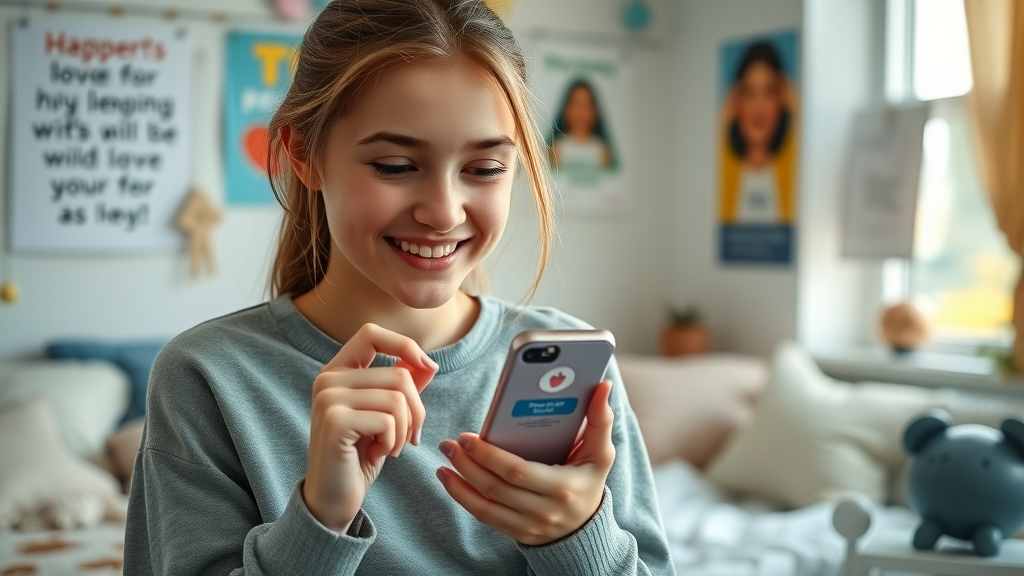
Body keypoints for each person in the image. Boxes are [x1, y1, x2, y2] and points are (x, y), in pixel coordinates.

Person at [124, 1, 673, 575]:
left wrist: (577, 537)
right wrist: (319, 521)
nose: (444, 212)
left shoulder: (575, 364)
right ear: (303, 154)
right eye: (394, 165)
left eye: (485, 169)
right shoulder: (206, 378)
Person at [719, 39, 798, 225]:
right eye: (749, 92)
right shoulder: (727, 172)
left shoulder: (792, 167)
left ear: (781, 100)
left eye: (768, 92)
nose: (758, 107)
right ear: (736, 102)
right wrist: (722, 121)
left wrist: (797, 107)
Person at [549, 79, 616, 170]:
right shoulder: (556, 149)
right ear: (566, 109)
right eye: (575, 103)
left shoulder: (603, 152)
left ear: (595, 111)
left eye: (586, 104)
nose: (581, 111)